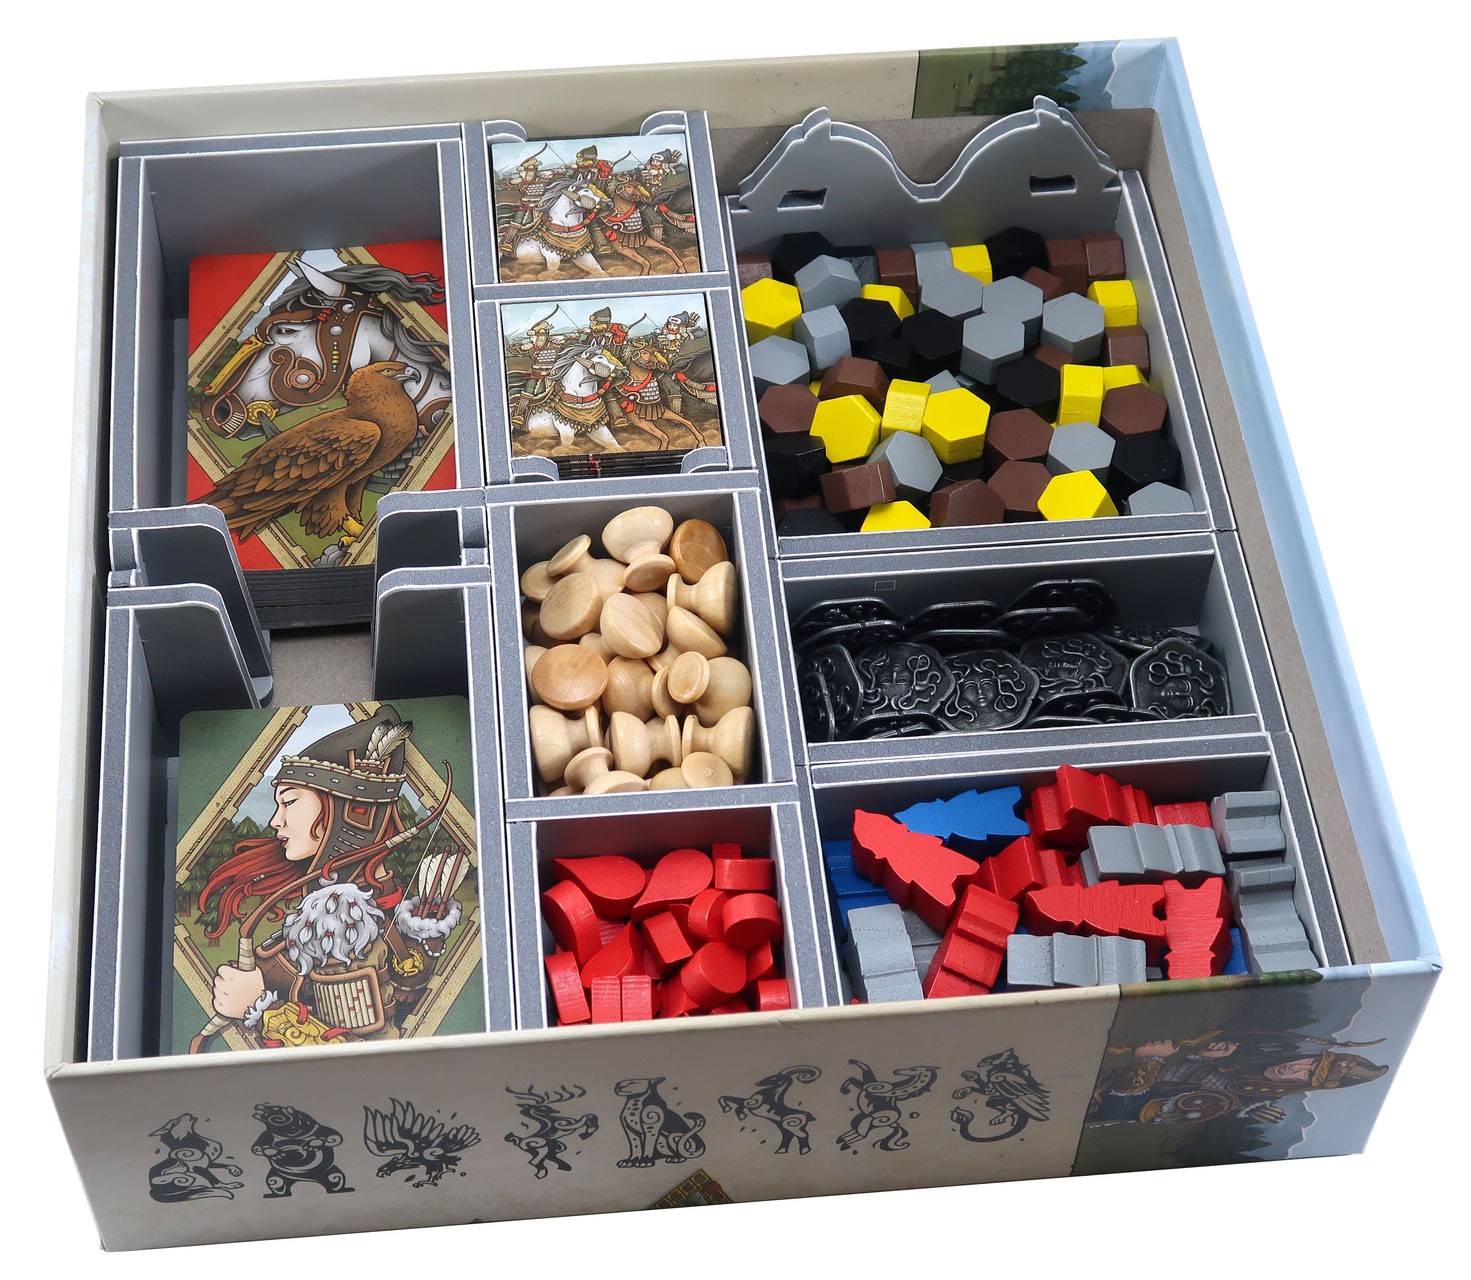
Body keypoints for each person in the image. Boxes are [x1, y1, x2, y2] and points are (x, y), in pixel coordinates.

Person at [197, 707, 468, 1050]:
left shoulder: (344, 923)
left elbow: (359, 1055)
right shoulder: (331, 911)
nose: (276, 821)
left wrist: (261, 1009)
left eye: (289, 802)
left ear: (345, 813)